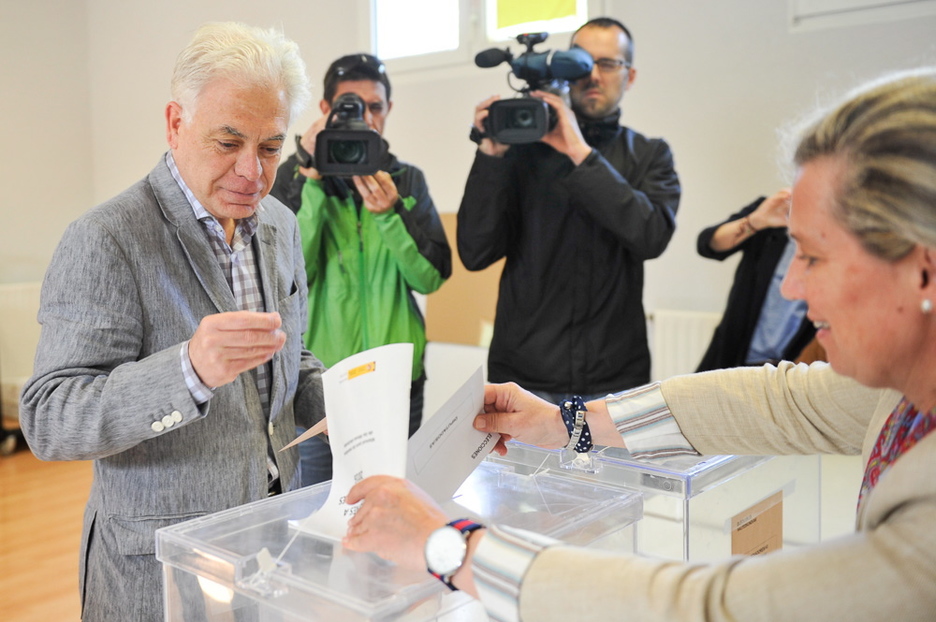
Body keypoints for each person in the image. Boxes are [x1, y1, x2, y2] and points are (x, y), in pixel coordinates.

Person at [342, 68, 936, 621]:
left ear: (922, 269)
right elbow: (781, 400)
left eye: (813, 255)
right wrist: (567, 422)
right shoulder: (902, 395)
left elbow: (713, 606)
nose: (790, 284)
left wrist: (451, 545)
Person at [18, 22, 326, 621]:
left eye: (269, 147)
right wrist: (188, 371)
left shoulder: (282, 225)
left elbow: (288, 360)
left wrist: (343, 400)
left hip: (269, 544)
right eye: (228, 141)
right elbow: (50, 418)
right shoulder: (106, 238)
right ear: (175, 123)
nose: (252, 173)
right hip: (154, 569)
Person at [456, 17, 681, 405]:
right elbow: (475, 252)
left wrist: (578, 151)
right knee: (519, 470)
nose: (592, 74)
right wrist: (491, 158)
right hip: (523, 377)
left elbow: (651, 236)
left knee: (615, 471)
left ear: (630, 76)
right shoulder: (519, 151)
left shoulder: (650, 155)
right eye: (581, 61)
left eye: (608, 64)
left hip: (615, 378)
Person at [270, 53, 451, 486]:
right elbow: (287, 278)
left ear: (388, 111)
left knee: (392, 505)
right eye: (351, 106)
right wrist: (309, 179)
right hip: (319, 385)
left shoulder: (406, 180)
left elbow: (430, 277)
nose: (366, 117)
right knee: (312, 510)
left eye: (375, 106)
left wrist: (390, 214)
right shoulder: (296, 178)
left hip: (396, 381)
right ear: (325, 111)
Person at [695, 188, 820, 371]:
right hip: (734, 351)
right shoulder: (777, 210)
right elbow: (707, 244)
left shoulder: (846, 231)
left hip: (792, 365)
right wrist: (756, 221)